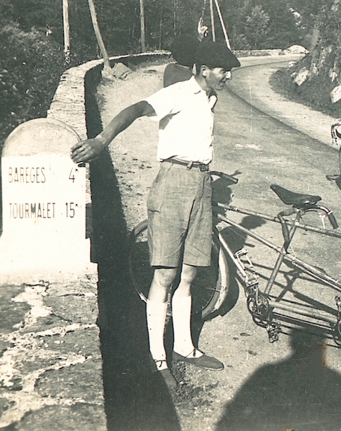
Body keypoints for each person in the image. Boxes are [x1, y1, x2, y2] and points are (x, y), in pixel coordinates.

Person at [71, 41, 241, 388]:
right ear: (204, 69)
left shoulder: (210, 99)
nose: (229, 76)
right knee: (164, 276)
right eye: (224, 70)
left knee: (190, 275)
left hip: (201, 184)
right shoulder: (177, 93)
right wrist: (102, 141)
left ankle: (184, 347)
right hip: (173, 184)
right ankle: (157, 358)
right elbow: (135, 109)